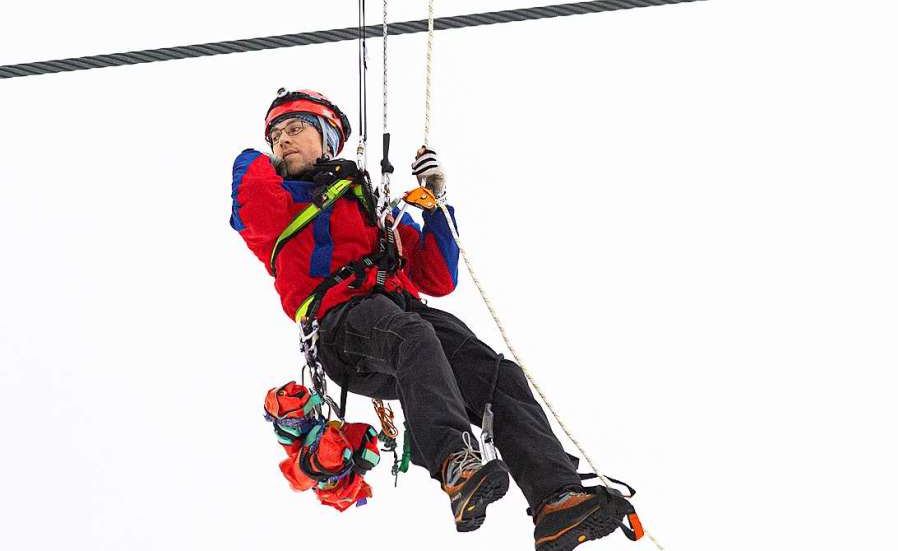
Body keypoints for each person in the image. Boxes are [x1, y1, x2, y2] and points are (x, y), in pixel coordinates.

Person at [231, 89, 633, 550]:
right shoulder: (281, 202)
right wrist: (255, 156)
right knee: (413, 336)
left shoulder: (371, 210)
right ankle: (454, 464)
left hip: (403, 319)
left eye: (296, 129)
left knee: (498, 375)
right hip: (342, 325)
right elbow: (251, 205)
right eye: (275, 136)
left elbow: (436, 276)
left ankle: (556, 498)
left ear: (327, 139)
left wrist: (438, 203)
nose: (282, 141)